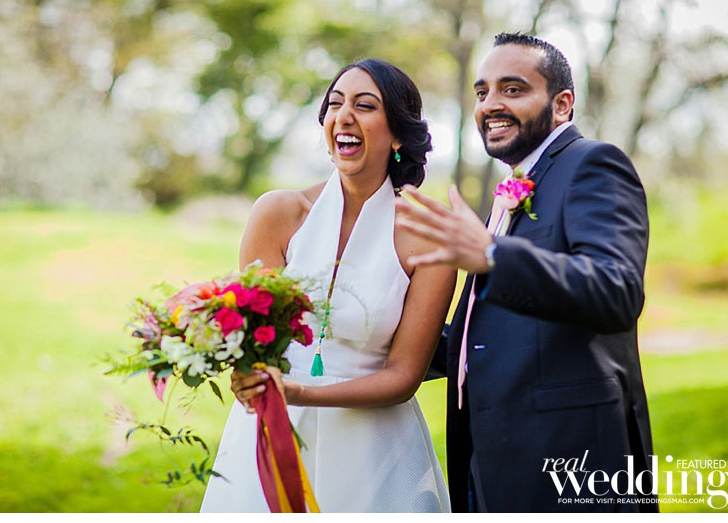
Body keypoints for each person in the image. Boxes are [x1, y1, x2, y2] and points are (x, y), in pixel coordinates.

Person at [395, 33, 656, 512]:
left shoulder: (592, 165)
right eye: (482, 92)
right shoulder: (515, 186)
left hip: (570, 462)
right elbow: (491, 337)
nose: (490, 104)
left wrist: (494, 255)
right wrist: (372, 334)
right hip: (494, 461)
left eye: (512, 89)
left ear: (562, 104)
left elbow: (616, 291)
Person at [200, 58, 456, 513]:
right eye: (335, 104)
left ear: (398, 135)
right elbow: (252, 338)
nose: (344, 116)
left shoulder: (429, 240)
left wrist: (304, 395)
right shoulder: (278, 214)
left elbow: (403, 377)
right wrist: (247, 376)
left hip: (376, 451)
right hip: (273, 436)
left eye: (365, 105)